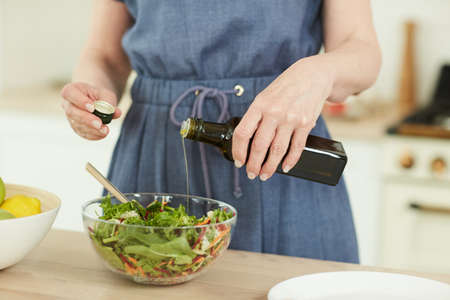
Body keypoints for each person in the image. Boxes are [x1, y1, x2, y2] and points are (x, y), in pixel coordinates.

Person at [61, 0, 381, 263]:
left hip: (280, 154)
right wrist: (92, 93)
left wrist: (319, 72)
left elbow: (362, 50)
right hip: (155, 156)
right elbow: (104, 57)